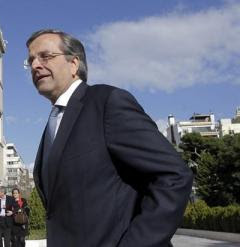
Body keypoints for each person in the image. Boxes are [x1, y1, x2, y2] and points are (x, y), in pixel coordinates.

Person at [26, 29, 193, 246]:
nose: (35, 65)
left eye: (45, 56)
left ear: (74, 64)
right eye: (30, 60)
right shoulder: (54, 122)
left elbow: (174, 176)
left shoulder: (107, 103)